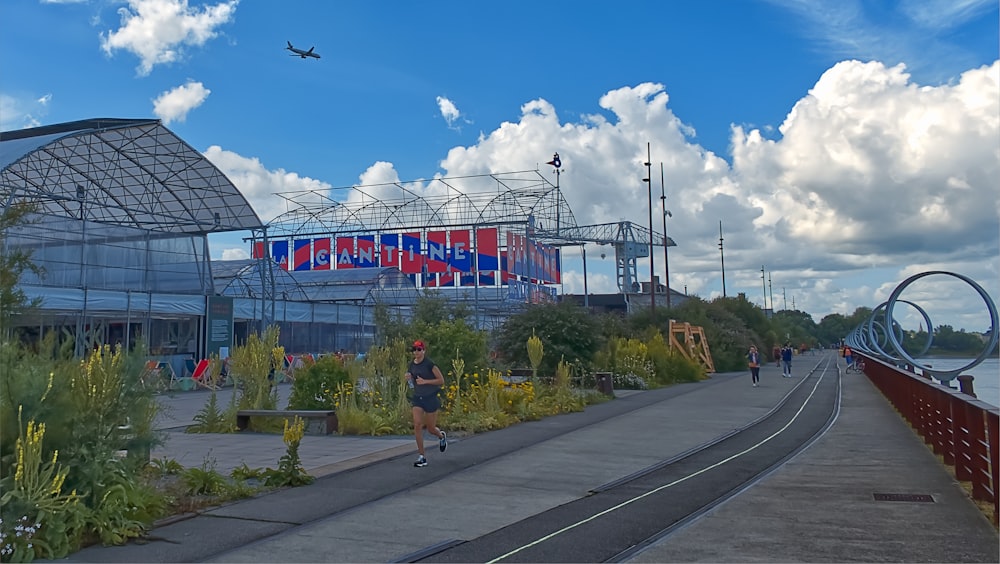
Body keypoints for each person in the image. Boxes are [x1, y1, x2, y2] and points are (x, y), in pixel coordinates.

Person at [405, 340, 447, 467]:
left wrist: (426, 381)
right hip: (418, 398)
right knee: (417, 424)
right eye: (414, 350)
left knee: (431, 428)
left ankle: (441, 436)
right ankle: (422, 456)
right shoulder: (411, 365)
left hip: (430, 397)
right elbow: (412, 384)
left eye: (419, 349)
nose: (416, 352)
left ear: (423, 351)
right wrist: (408, 380)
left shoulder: (429, 364)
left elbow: (441, 380)